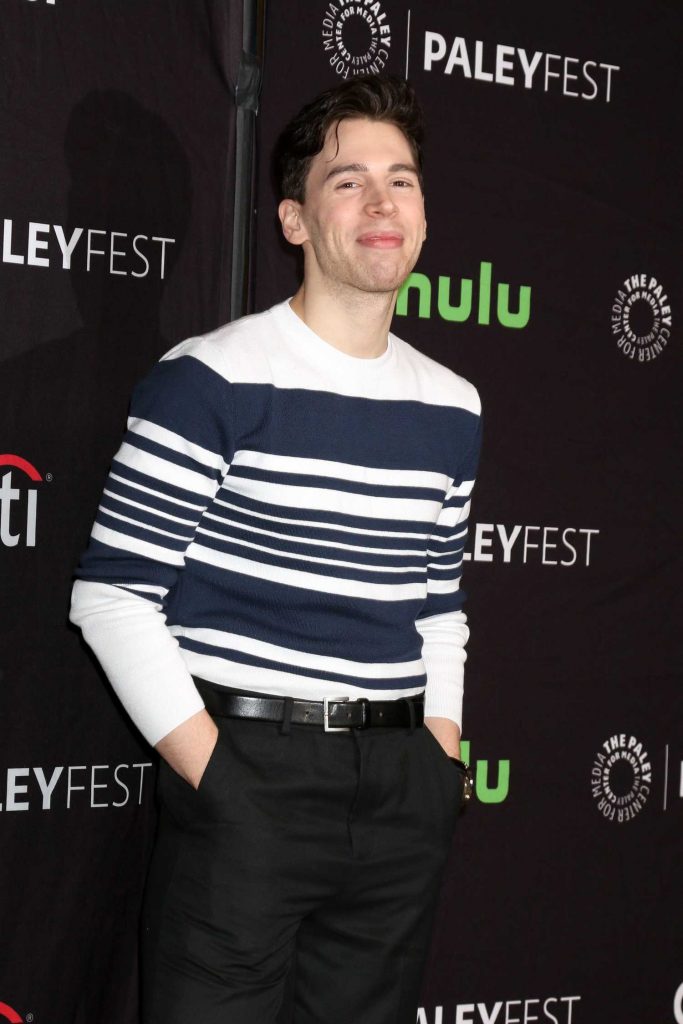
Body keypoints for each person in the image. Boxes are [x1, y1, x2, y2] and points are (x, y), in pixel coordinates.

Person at [70, 73, 482, 1024]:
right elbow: (112, 595)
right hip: (249, 777)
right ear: (293, 220)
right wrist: (221, 775)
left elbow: (437, 606)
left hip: (400, 789)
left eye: (402, 179)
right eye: (348, 181)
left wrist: (438, 753)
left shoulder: (453, 403)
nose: (382, 203)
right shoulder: (211, 377)